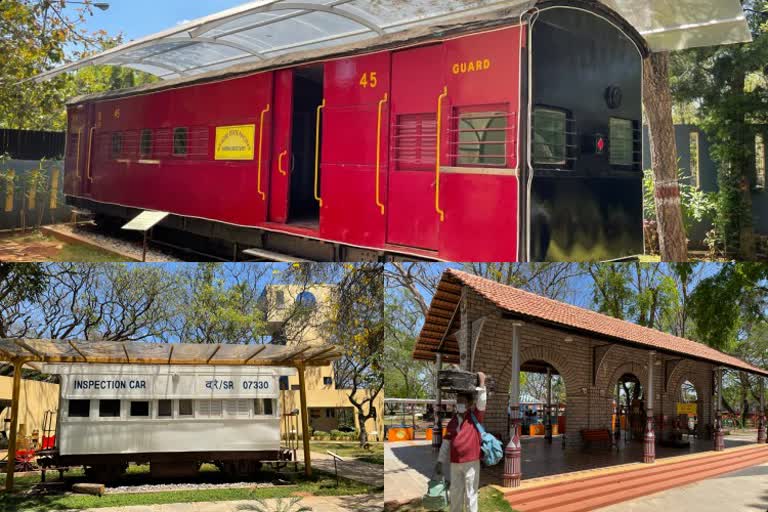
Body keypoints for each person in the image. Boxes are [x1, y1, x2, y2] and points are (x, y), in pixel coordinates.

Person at [435, 372, 487, 512]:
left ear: (469, 404)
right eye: (458, 401)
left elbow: (481, 403)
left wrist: (482, 384)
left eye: (462, 401)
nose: (459, 404)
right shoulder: (452, 422)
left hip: (471, 462)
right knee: (456, 492)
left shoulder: (474, 416)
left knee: (471, 494)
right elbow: (446, 444)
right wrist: (440, 461)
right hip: (455, 463)